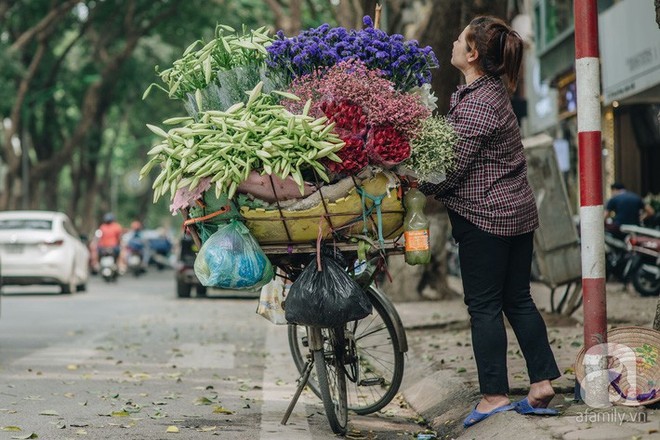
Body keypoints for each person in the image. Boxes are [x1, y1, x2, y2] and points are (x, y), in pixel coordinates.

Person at [419, 16, 561, 428]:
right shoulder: (485, 92)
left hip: (487, 218)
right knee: (517, 299)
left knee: (483, 306)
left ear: (473, 53)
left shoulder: (480, 102)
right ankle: (540, 383)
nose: (453, 43)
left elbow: (451, 167)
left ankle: (494, 394)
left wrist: (416, 182)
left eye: (460, 39)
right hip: (514, 215)